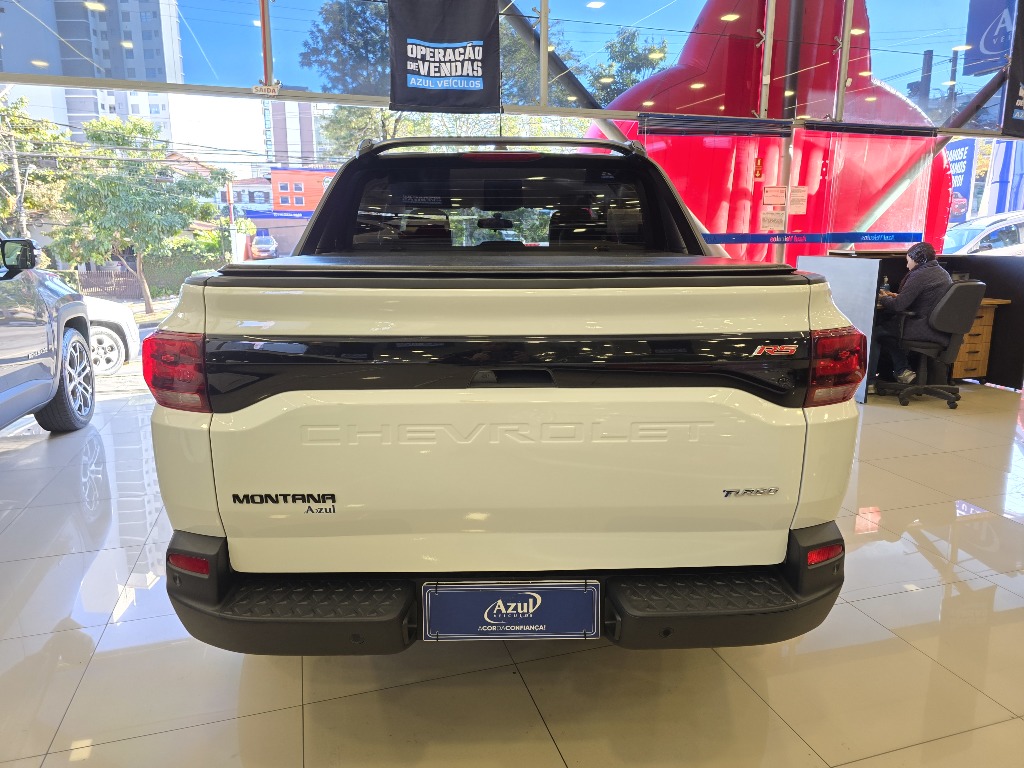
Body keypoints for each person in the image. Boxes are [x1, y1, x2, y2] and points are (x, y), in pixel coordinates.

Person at [873, 241, 953, 384]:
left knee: (876, 331)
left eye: (908, 261)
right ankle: (902, 371)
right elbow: (924, 299)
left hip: (922, 328)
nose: (907, 265)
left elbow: (898, 306)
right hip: (938, 328)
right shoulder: (941, 272)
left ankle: (873, 381)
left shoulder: (919, 275)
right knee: (887, 331)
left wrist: (883, 298)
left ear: (918, 260)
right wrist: (895, 296)